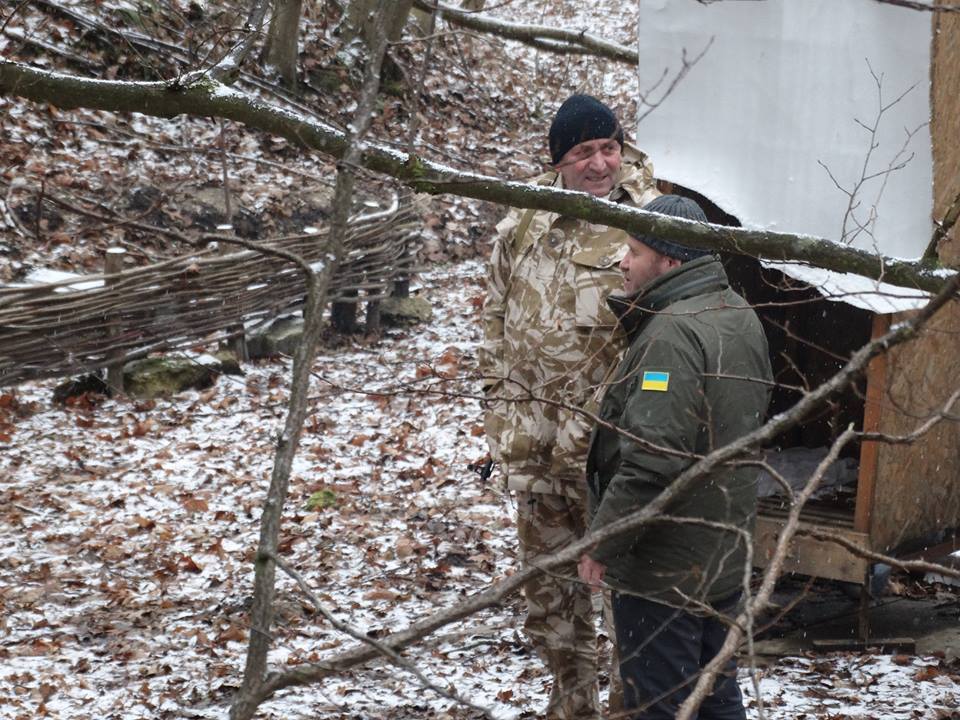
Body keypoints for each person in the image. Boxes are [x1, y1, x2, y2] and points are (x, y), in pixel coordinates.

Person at [480, 94, 660, 720]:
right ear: (558, 161)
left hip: (607, 451)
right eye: (583, 152)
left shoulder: (651, 223)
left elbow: (668, 341)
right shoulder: (527, 219)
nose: (600, 163)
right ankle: (572, 701)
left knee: (623, 591)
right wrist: (497, 411)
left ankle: (629, 707)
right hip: (534, 444)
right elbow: (495, 319)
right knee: (551, 593)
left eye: (608, 147)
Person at [578, 194, 773, 719]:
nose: (622, 262)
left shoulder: (671, 335)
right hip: (721, 554)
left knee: (665, 705)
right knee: (715, 699)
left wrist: (603, 540)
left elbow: (653, 459)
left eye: (634, 251)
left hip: (665, 570)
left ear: (669, 261)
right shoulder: (737, 313)